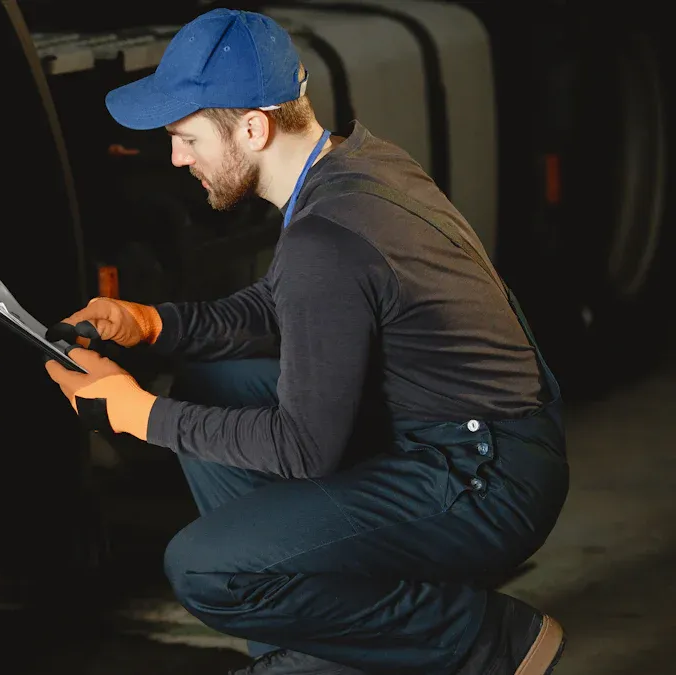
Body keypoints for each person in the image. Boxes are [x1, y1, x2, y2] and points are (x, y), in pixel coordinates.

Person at [42, 7, 571, 675]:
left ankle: (487, 641)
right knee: (210, 376)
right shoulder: (352, 167)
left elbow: (304, 447)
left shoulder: (330, 239)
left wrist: (133, 411)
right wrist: (152, 323)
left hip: (484, 477)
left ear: (254, 128)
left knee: (200, 567)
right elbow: (284, 305)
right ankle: (304, 640)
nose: (176, 157)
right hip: (476, 436)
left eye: (186, 137)